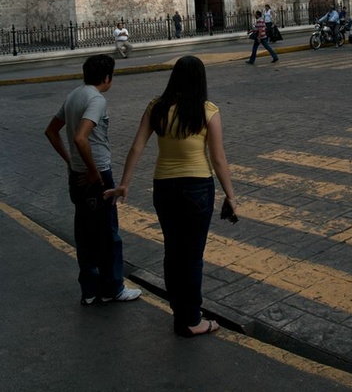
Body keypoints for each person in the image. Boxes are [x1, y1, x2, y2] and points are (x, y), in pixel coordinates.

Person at [104, 55, 237, 337]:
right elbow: (218, 159)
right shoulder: (207, 110)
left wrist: (125, 183)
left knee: (173, 252)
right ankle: (192, 319)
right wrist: (231, 195)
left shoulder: (157, 107)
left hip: (164, 188)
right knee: (193, 257)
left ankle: (181, 314)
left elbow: (137, 147)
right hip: (198, 188)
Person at [43, 54, 141, 305]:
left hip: (77, 174)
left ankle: (89, 289)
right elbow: (80, 137)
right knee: (108, 233)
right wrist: (94, 171)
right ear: (107, 77)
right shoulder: (97, 99)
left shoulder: (74, 95)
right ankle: (113, 288)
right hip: (96, 175)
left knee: (85, 233)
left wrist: (70, 161)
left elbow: (52, 131)